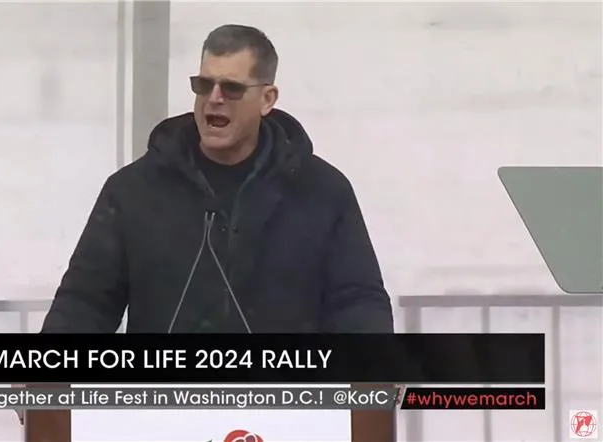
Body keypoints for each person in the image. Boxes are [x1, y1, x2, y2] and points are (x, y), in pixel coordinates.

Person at [38, 24, 395, 441]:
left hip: (287, 417)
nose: (213, 100)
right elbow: (87, 300)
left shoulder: (323, 191)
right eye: (203, 84)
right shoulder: (133, 191)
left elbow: (356, 300)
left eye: (231, 88)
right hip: (160, 416)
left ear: (267, 99)